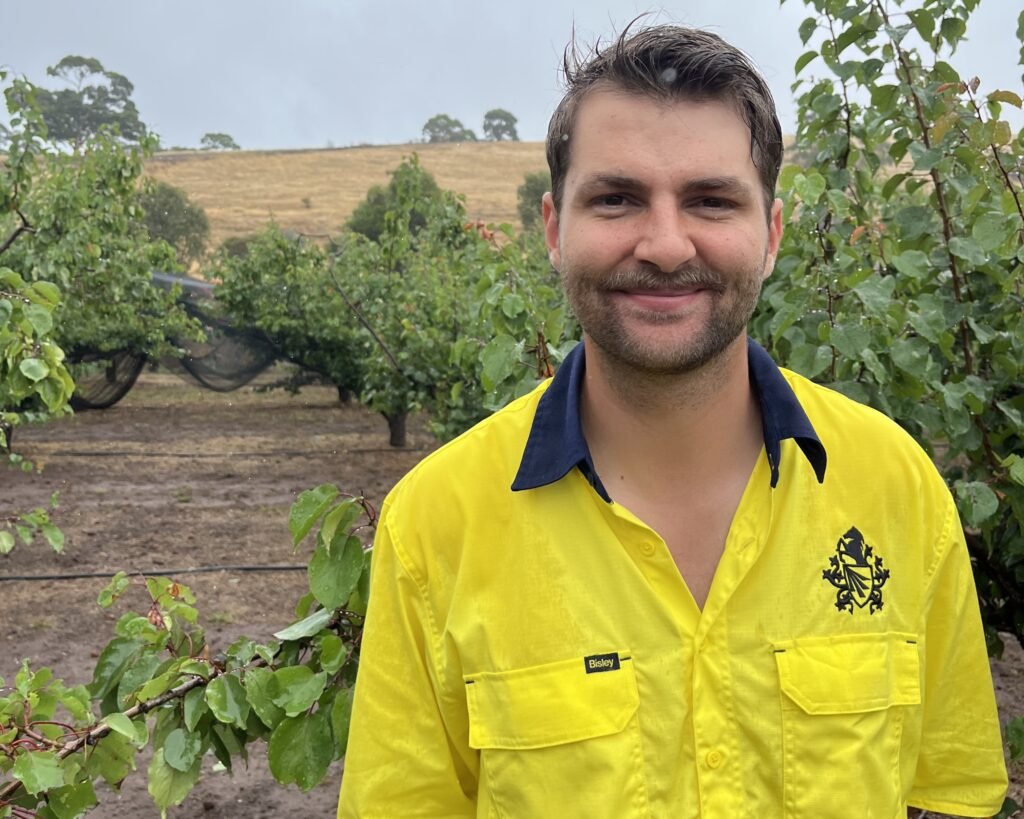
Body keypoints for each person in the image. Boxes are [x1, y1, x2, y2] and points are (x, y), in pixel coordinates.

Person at [338, 23, 1009, 819]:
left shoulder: (897, 488)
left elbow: (951, 795)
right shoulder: (435, 526)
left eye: (711, 201)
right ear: (554, 229)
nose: (663, 244)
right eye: (616, 199)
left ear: (771, 235)